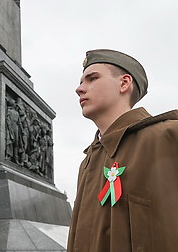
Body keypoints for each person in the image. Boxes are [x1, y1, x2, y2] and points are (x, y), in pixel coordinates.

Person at [67, 49, 178, 251]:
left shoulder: (167, 136)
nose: (79, 89)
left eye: (92, 78)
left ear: (124, 83)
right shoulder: (88, 161)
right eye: (81, 81)